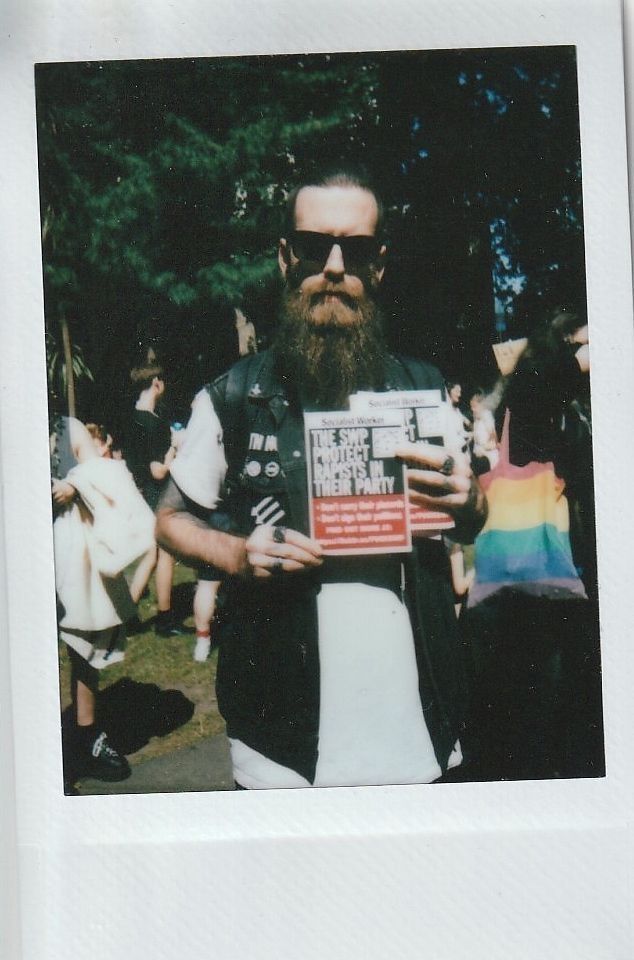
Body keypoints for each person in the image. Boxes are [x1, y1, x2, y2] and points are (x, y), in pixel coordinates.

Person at [156, 165, 486, 789]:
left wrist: (471, 501)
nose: (333, 266)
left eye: (355, 250)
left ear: (379, 265)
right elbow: (170, 519)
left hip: (415, 729)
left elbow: (469, 516)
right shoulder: (231, 396)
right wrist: (236, 553)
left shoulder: (423, 388)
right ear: (286, 256)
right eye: (314, 247)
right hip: (280, 741)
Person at [462, 310, 602, 780]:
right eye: (581, 344)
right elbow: (537, 380)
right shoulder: (529, 407)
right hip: (528, 599)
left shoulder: (574, 409)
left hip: (562, 587)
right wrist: (584, 356)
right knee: (536, 737)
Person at [51, 415, 155, 783]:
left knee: (81, 647)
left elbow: (100, 472)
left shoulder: (65, 428)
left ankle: (85, 734)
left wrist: (75, 485)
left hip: (62, 549)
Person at [125, 357, 184, 636]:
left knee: (152, 555)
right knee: (165, 554)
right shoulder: (154, 424)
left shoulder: (130, 419)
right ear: (156, 384)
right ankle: (163, 619)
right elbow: (159, 471)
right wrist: (174, 448)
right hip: (156, 495)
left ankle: (128, 617)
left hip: (138, 493)